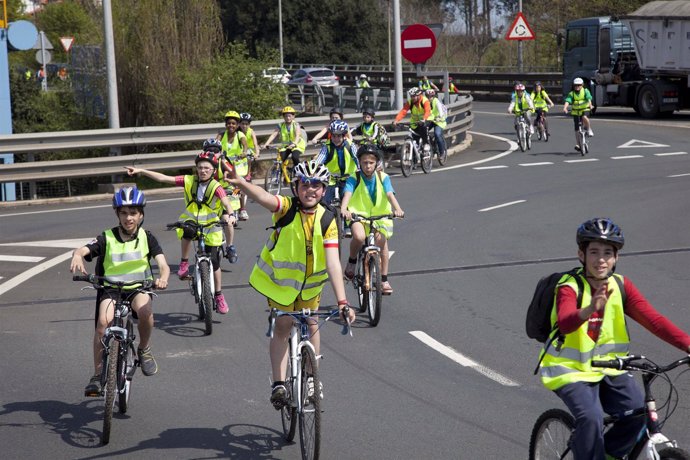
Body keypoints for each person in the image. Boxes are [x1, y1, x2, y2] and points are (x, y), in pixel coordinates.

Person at [538, 217, 690, 460]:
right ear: (581, 254)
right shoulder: (569, 286)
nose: (601, 259)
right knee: (591, 418)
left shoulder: (621, 286)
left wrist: (688, 345)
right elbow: (566, 322)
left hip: (611, 367)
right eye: (594, 252)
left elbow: (654, 320)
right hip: (570, 370)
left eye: (608, 253)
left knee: (640, 413)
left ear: (616, 258)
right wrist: (588, 309)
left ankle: (607, 455)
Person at [222, 159, 355, 408]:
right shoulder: (286, 208)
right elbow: (264, 197)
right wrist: (242, 183)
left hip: (311, 286)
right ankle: (279, 383)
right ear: (295, 188)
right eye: (305, 184)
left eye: (317, 185)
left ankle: (314, 379)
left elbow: (334, 263)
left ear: (324, 190)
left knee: (312, 322)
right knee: (283, 325)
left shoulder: (328, 219)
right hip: (281, 284)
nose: (310, 190)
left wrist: (343, 302)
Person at [70, 187, 170, 396]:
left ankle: (143, 349)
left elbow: (163, 265)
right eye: (123, 213)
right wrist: (78, 255)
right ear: (118, 214)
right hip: (111, 289)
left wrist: (163, 278)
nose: (128, 218)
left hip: (137, 288)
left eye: (133, 213)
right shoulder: (107, 237)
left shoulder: (147, 238)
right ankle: (97, 375)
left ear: (141, 214)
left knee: (145, 313)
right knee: (103, 324)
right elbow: (85, 249)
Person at [124, 152, 235, 314]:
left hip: (212, 226)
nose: (203, 171)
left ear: (213, 170)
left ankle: (218, 295)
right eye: (200, 167)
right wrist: (141, 171)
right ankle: (184, 262)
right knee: (187, 230)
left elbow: (226, 202)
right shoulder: (189, 180)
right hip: (192, 222)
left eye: (207, 168)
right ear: (196, 169)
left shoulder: (216, 187)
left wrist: (231, 215)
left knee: (215, 263)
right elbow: (164, 178)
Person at [341, 144, 404, 295]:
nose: (368, 166)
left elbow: (390, 194)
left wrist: (398, 209)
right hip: (358, 215)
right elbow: (347, 194)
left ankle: (383, 279)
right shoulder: (353, 178)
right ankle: (352, 261)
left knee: (382, 242)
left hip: (380, 217)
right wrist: (344, 209)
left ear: (376, 163)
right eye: (364, 162)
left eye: (371, 162)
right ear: (360, 163)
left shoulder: (384, 177)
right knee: (359, 236)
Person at [202, 138, 239, 262]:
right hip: (210, 198)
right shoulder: (203, 165)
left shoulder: (222, 161)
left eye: (216, 150)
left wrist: (224, 162)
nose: (213, 153)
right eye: (209, 150)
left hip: (224, 195)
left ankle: (230, 246)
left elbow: (234, 173)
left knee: (227, 219)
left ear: (220, 151)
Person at [314, 120, 359, 210]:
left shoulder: (350, 145)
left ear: (344, 136)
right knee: (324, 204)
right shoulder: (327, 147)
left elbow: (357, 159)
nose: (336, 139)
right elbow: (318, 161)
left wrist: (360, 170)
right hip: (331, 179)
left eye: (339, 136)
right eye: (333, 136)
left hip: (348, 178)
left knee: (350, 204)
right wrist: (315, 170)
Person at [217, 110, 251, 222]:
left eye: (233, 123)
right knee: (221, 186)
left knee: (237, 187)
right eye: (229, 123)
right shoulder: (221, 135)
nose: (231, 125)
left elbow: (245, 145)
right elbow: (215, 145)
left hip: (238, 166)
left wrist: (244, 152)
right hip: (223, 164)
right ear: (225, 124)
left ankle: (241, 209)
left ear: (237, 125)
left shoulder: (240, 135)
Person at [262, 106, 306, 171]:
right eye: (286, 116)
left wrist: (294, 144)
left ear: (293, 116)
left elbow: (297, 135)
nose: (288, 118)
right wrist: (266, 144)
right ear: (283, 117)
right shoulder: (281, 125)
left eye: (289, 116)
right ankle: (283, 176)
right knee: (281, 159)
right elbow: (274, 135)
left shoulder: (296, 125)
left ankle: (299, 172)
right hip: (286, 146)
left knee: (295, 157)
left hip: (297, 145)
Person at [393, 87, 432, 153]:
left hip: (426, 120)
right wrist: (396, 120)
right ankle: (413, 160)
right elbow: (403, 111)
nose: (412, 98)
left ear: (419, 95)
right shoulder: (410, 102)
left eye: (414, 96)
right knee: (414, 142)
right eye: (411, 96)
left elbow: (427, 111)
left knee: (423, 128)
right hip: (415, 122)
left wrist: (424, 119)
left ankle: (426, 144)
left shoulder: (425, 101)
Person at [563, 77, 595, 150]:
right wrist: (565, 108)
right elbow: (568, 101)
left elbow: (589, 98)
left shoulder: (585, 91)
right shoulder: (572, 93)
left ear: (582, 85)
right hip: (576, 111)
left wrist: (590, 105)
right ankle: (578, 144)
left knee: (584, 117)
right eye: (576, 85)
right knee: (577, 129)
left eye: (579, 85)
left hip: (585, 109)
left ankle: (589, 129)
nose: (577, 87)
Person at [425, 89, 448, 160]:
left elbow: (441, 112)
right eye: (427, 96)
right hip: (431, 120)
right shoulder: (425, 102)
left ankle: (442, 153)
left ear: (433, 96)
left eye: (431, 96)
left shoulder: (436, 101)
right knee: (422, 130)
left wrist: (439, 117)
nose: (429, 98)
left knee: (437, 134)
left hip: (439, 120)